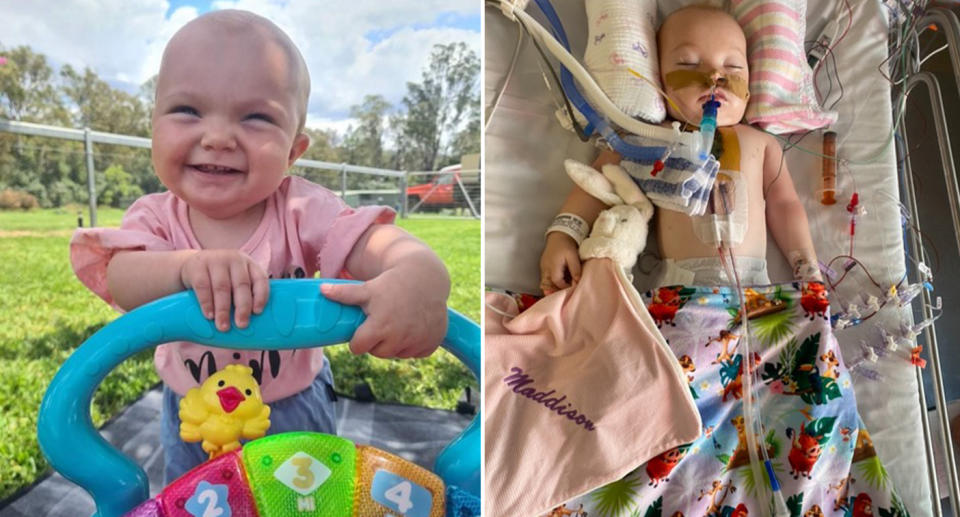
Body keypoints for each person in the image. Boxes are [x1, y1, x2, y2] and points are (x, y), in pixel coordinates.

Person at [69, 9, 450, 483]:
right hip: (192, 412)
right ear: (154, 126)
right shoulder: (154, 217)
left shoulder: (304, 211)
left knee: (305, 503)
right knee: (193, 501)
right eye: (187, 110)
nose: (218, 137)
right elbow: (123, 279)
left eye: (255, 118)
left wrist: (420, 276)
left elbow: (389, 246)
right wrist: (187, 267)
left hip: (291, 407)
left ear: (293, 151)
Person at [539, 5, 822, 295]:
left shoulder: (763, 143)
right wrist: (563, 235)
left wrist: (805, 264)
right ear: (659, 78)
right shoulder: (649, 138)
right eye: (687, 64)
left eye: (733, 67)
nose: (714, 76)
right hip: (678, 296)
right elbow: (597, 180)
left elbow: (785, 205)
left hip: (757, 293)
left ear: (750, 83)